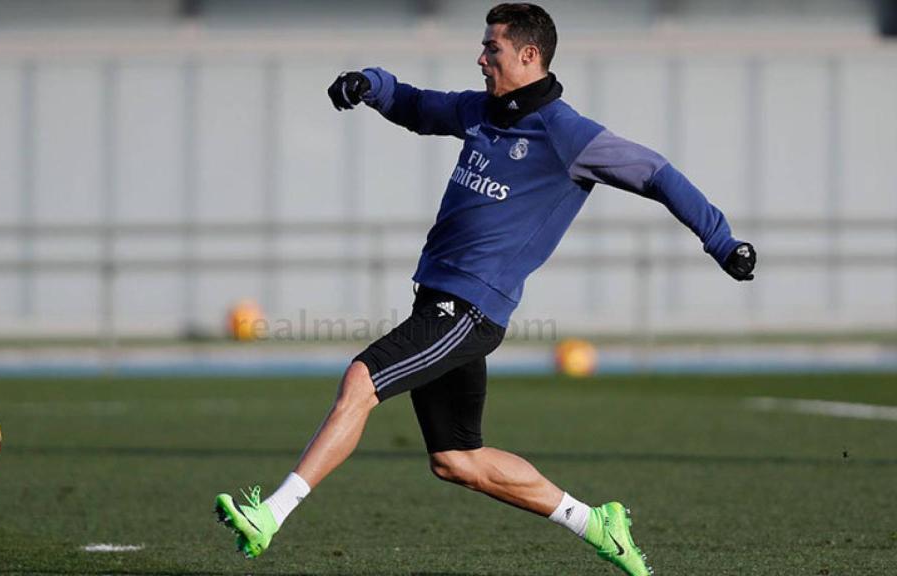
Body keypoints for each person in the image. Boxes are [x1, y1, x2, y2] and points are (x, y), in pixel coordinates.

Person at [214, 3, 756, 575]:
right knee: (456, 459)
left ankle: (270, 514)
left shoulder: (568, 135)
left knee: (361, 380)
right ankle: (596, 522)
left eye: (491, 48)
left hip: (469, 310)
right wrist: (368, 84)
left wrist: (722, 243)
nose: (480, 58)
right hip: (438, 299)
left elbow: (657, 174)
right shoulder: (483, 110)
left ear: (528, 55)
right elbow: (417, 106)